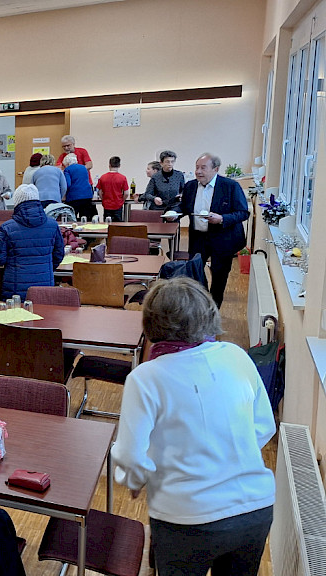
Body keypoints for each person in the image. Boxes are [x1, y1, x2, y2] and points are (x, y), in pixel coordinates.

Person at [112, 277, 274, 576]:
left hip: (185, 518)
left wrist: (135, 480)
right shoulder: (236, 355)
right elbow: (264, 425)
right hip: (254, 508)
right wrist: (224, 455)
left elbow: (130, 456)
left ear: (151, 323)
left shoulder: (146, 377)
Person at [178, 152, 249, 307]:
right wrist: (173, 213)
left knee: (219, 276)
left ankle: (214, 310)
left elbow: (243, 212)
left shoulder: (230, 186)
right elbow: (183, 207)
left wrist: (222, 218)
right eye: (197, 167)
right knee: (195, 273)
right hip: (198, 237)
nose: (198, 171)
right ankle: (200, 305)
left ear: (215, 169)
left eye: (203, 168)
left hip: (223, 238)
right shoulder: (190, 186)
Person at [0, 184, 64, 300]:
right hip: (45, 286)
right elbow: (59, 254)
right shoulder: (53, 225)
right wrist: (45, 267)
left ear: (17, 203)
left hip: (15, 288)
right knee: (44, 311)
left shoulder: (7, 228)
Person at [62, 153, 95, 220]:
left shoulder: (67, 169)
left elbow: (68, 184)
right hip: (87, 195)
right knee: (85, 217)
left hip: (74, 197)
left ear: (67, 163)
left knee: (72, 218)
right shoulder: (84, 168)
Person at [96, 156, 129, 222]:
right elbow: (126, 193)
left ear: (109, 165)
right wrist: (122, 200)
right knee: (118, 225)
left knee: (107, 224)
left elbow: (99, 192)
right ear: (119, 165)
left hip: (107, 205)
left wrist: (103, 199)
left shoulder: (103, 177)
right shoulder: (123, 178)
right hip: (118, 204)